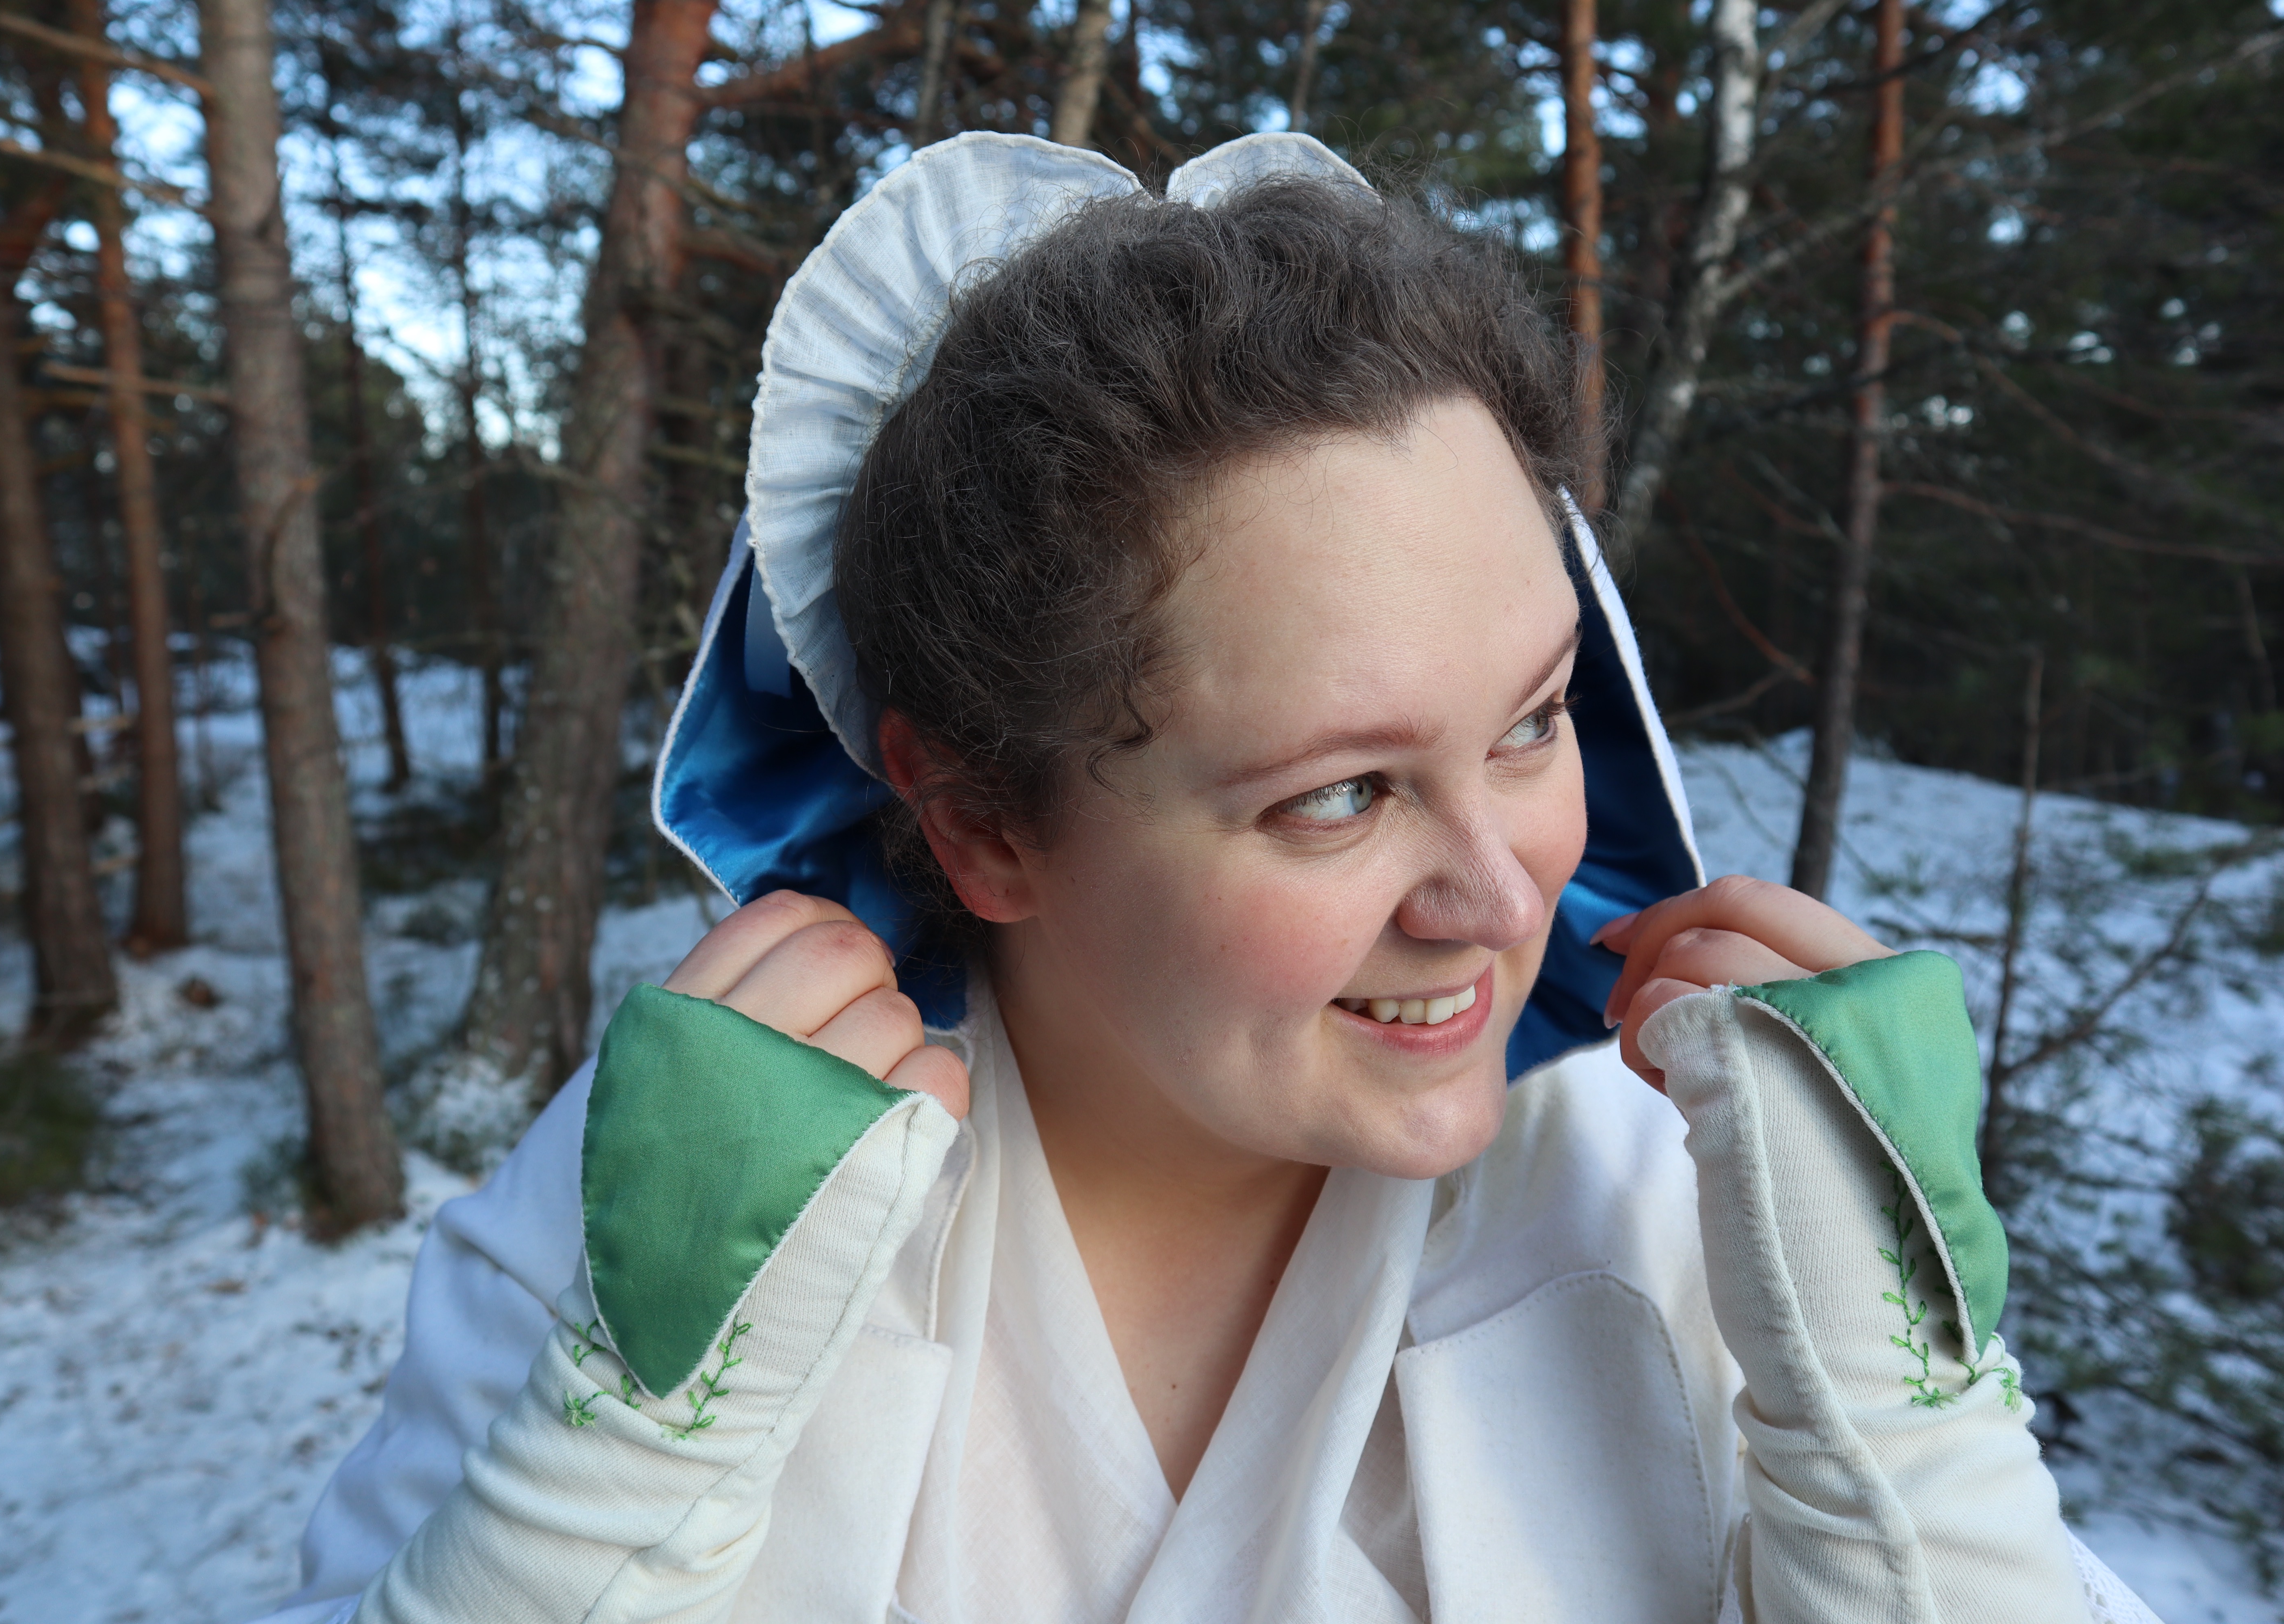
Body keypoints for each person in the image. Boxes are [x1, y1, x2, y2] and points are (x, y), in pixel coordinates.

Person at [250, 133, 2162, 1624]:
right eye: (1339, 797)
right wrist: (614, 1474)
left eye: (1532, 720)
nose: (1504, 898)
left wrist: (1913, 1440)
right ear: (983, 819)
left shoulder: (1691, 1197)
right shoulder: (672, 1228)